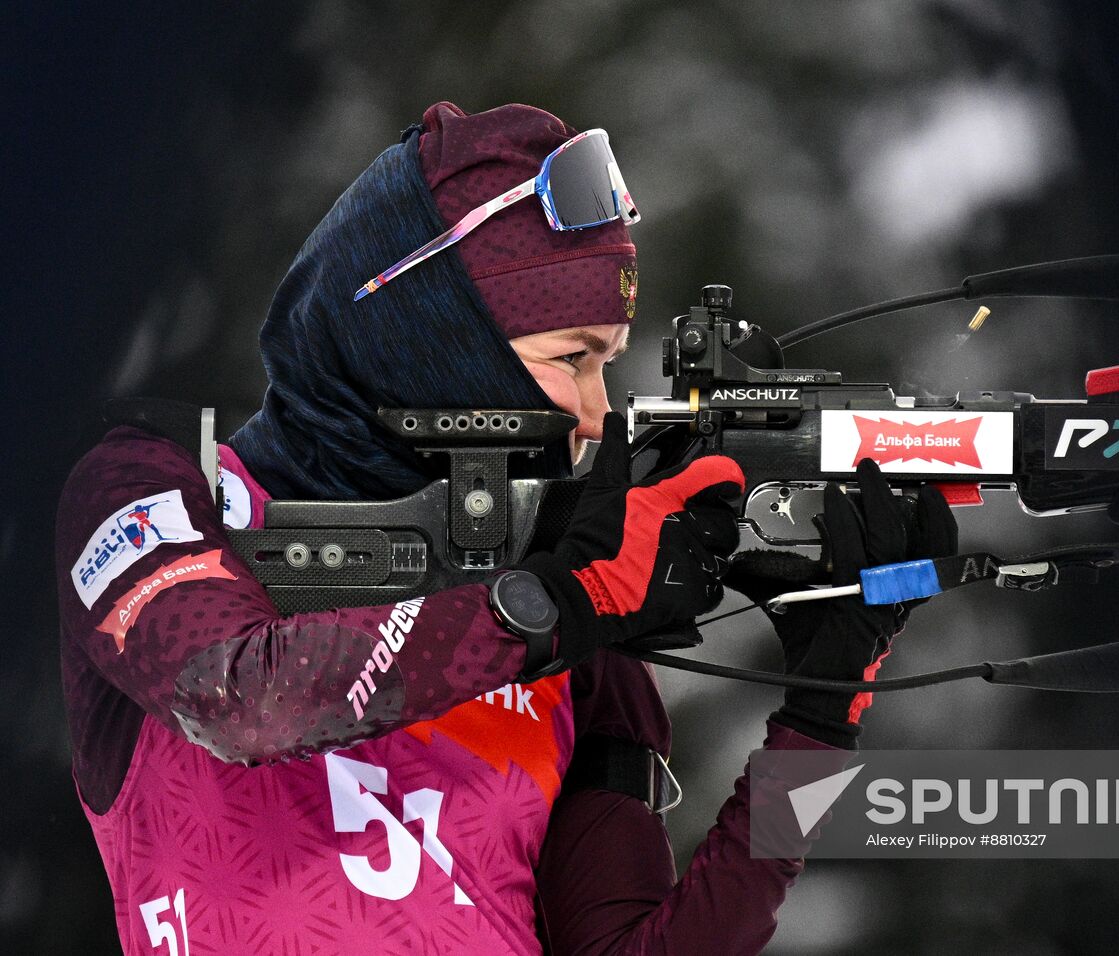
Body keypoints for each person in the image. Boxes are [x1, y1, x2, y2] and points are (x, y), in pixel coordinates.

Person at [55, 101, 957, 954]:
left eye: (607, 363)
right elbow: (238, 699)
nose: (598, 415)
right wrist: (558, 602)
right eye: (573, 360)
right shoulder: (157, 490)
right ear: (435, 337)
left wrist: (820, 718)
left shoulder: (573, 606)